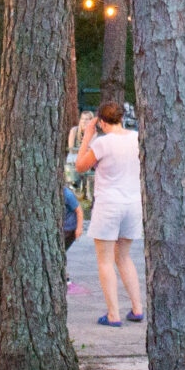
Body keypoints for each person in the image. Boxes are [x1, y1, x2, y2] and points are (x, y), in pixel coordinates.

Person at [73, 99, 145, 327]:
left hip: (108, 205)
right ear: (122, 118)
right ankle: (137, 308)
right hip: (132, 204)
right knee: (123, 256)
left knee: (104, 260)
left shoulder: (103, 144)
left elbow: (80, 166)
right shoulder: (136, 138)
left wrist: (86, 137)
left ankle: (113, 314)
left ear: (102, 122)